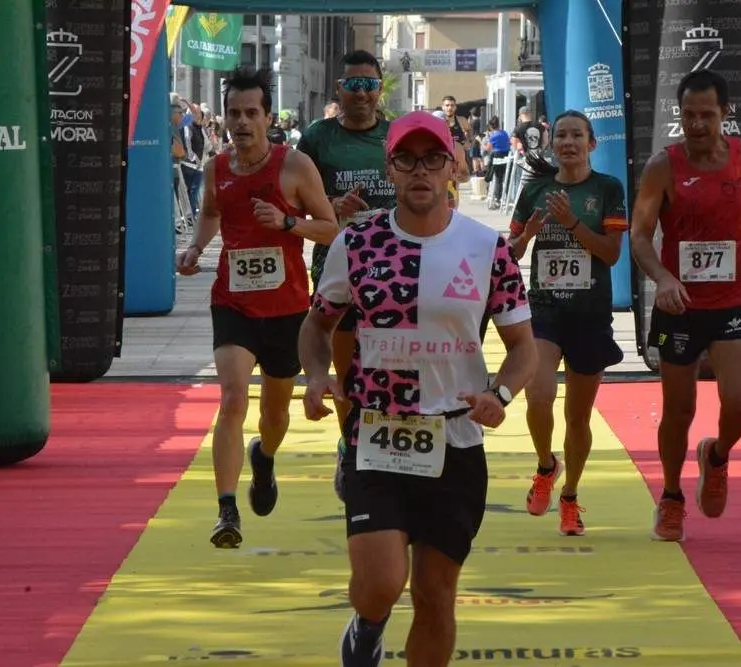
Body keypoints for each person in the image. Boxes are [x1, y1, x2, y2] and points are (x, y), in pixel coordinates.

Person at [298, 111, 537, 667]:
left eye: (434, 158)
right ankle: (369, 622)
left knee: (434, 596)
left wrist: (499, 397)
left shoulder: (486, 247)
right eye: (407, 159)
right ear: (391, 168)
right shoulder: (357, 242)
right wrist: (315, 375)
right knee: (382, 583)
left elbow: (523, 346)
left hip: (455, 439)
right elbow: (316, 325)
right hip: (377, 435)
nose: (421, 170)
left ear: (453, 166)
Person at [175, 67, 339, 548]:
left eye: (251, 113)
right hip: (233, 303)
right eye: (233, 113)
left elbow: (330, 228)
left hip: (287, 308)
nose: (241, 122)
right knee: (231, 397)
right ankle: (227, 510)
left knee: (274, 415)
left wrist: (289, 223)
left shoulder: (294, 167)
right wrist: (193, 249)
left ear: (269, 118)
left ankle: (263, 457)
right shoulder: (217, 169)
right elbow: (210, 214)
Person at [628, 69, 741, 542]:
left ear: (725, 114)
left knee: (739, 401)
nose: (696, 124)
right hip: (681, 306)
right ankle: (671, 496)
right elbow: (639, 233)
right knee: (679, 408)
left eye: (706, 115)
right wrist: (663, 277)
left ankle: (716, 456)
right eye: (688, 115)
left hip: (734, 298)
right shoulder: (663, 166)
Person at [508, 110, 627, 537]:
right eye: (561, 135)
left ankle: (571, 495)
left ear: (591, 143)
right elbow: (511, 255)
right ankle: (545, 465)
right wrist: (526, 236)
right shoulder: (535, 189)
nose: (569, 142)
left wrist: (574, 224)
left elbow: (612, 254)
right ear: (552, 143)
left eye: (578, 135)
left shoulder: (607, 189)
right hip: (544, 309)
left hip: (590, 314)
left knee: (578, 417)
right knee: (537, 396)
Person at [296, 49, 397, 501]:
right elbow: (294, 201)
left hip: (397, 269)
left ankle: (394, 454)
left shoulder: (397, 135)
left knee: (393, 366)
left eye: (369, 85)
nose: (361, 93)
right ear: (340, 90)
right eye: (352, 85)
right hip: (338, 265)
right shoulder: (318, 138)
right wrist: (331, 208)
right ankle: (351, 445)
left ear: (380, 89)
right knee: (347, 372)